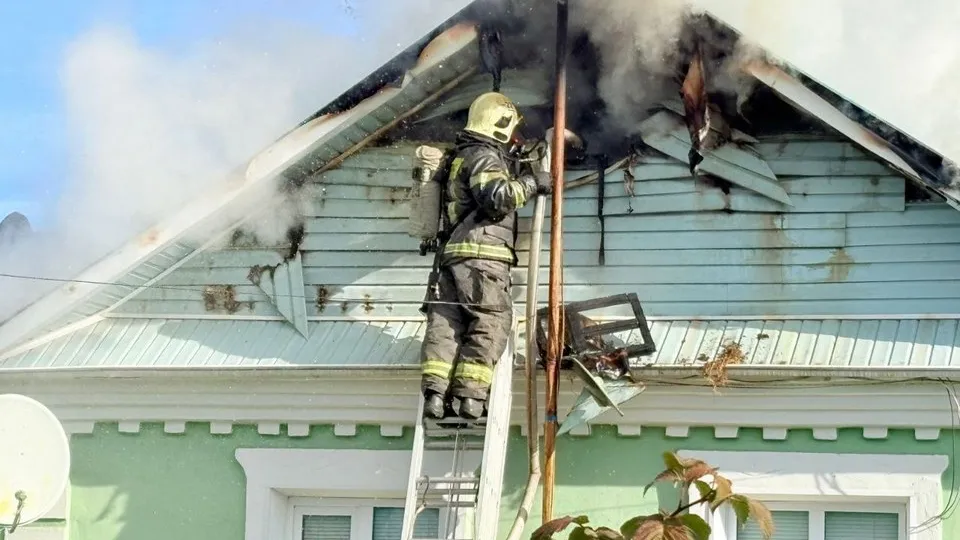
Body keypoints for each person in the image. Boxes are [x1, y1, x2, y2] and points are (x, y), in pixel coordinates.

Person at [419, 92, 552, 420]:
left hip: (449, 261)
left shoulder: (460, 157)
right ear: (502, 125)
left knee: (447, 325)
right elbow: (496, 198)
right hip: (482, 257)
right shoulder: (483, 155)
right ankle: (471, 398)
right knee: (491, 320)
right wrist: (533, 182)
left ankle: (436, 395)